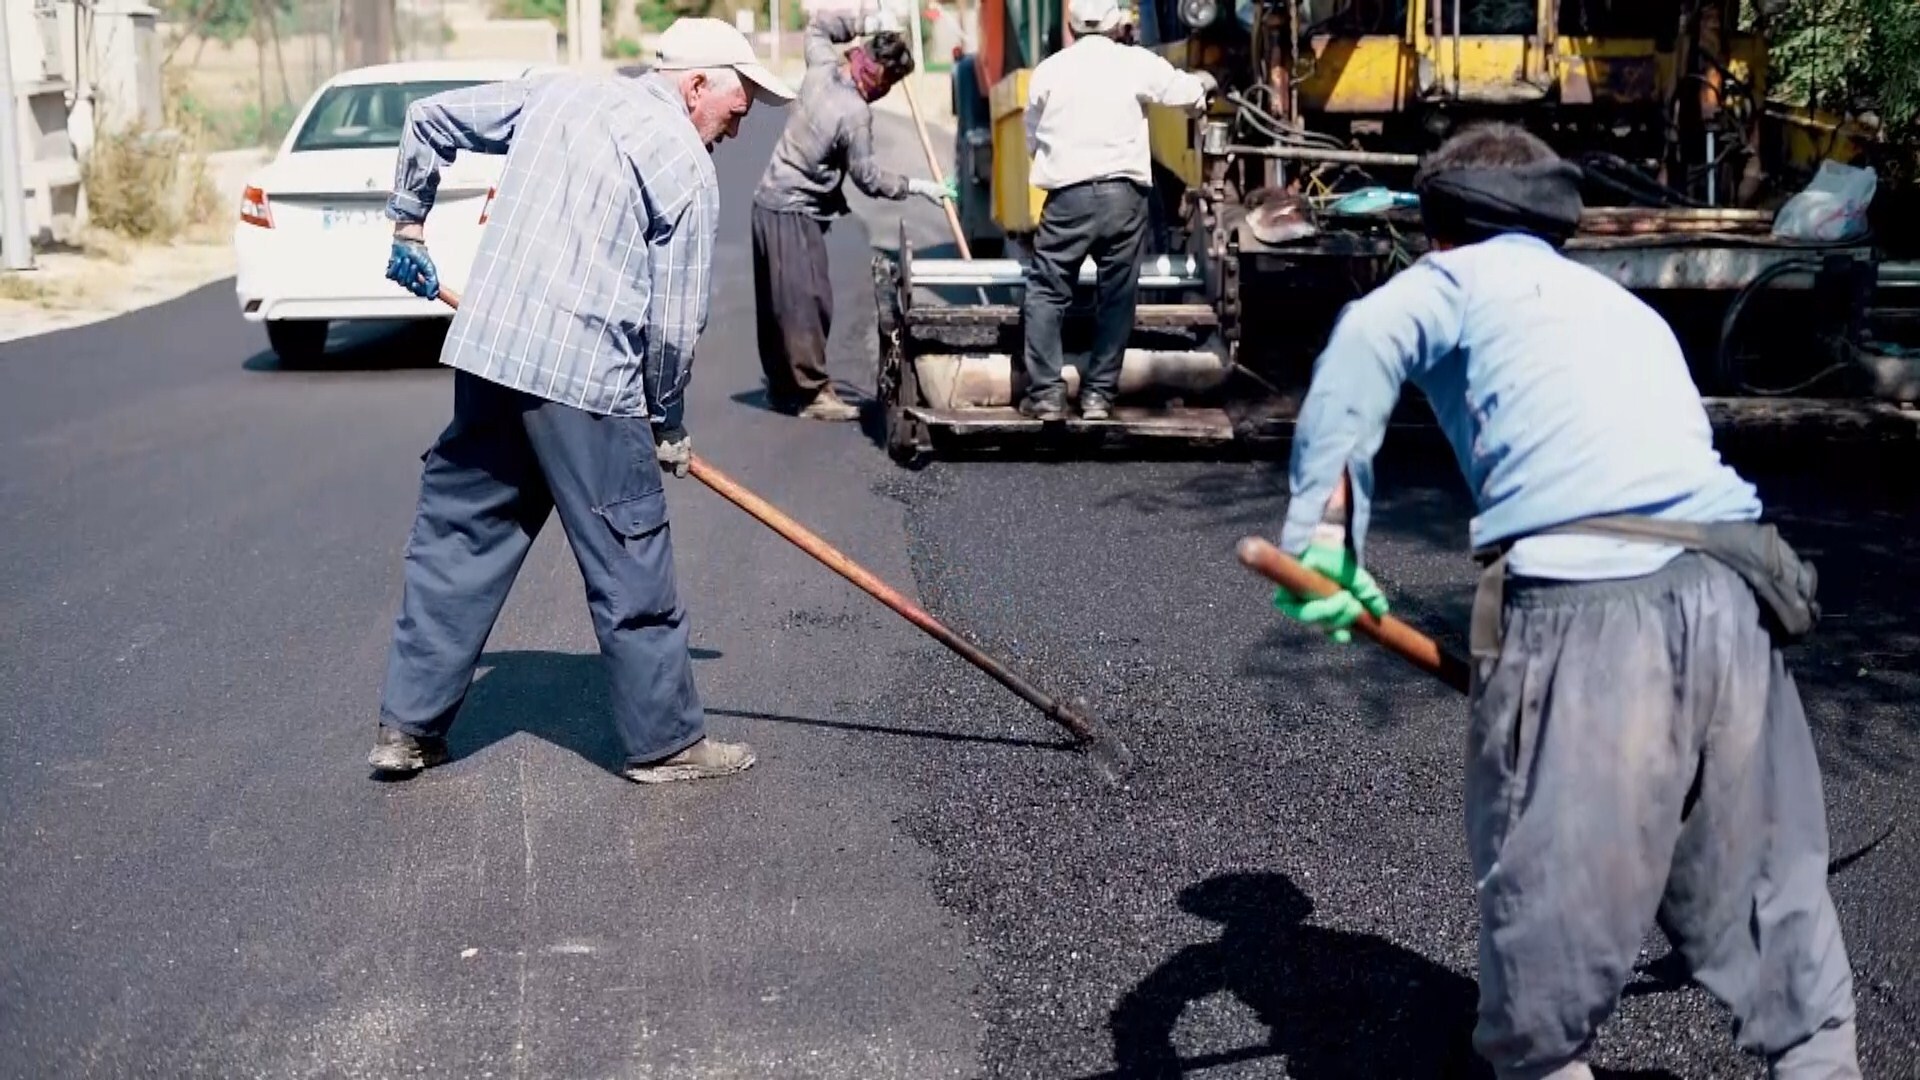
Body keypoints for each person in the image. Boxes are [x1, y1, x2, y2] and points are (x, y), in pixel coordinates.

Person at [1269, 122, 1860, 1080]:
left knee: (1544, 939)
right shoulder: (1618, 306)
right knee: (1773, 900)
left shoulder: (1448, 280)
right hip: (1733, 594)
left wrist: (1324, 545)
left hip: (1587, 610)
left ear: (1436, 225)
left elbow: (1363, 342)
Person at [367, 19, 796, 784]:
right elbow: (673, 326)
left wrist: (410, 221)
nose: (742, 123)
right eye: (740, 103)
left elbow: (428, 118)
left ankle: (407, 730)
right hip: (585, 384)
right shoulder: (685, 168)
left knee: (461, 541)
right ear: (696, 86)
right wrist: (666, 420)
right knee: (631, 557)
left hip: (492, 356)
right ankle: (665, 744)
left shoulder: (558, 94)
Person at [751, 7, 954, 422]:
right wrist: (917, 187)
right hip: (794, 209)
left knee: (778, 305)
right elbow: (867, 177)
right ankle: (811, 395)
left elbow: (819, 25)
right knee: (809, 302)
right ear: (883, 77)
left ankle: (781, 387)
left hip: (765, 203)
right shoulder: (856, 114)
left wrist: (867, 19)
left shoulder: (824, 64)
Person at [1016, 0, 1214, 421]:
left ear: (1071, 24)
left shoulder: (1048, 70)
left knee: (1047, 291)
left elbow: (1031, 134)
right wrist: (1203, 91)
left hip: (1067, 197)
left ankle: (1048, 395)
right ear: (1115, 22)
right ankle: (1098, 397)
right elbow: (1187, 93)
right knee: (1117, 296)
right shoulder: (1136, 63)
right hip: (1124, 198)